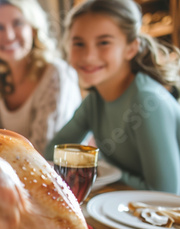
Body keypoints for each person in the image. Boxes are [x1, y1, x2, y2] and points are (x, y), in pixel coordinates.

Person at [45, 0, 180, 194]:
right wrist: (100, 169)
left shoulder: (148, 101)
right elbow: (53, 153)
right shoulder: (95, 100)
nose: (89, 56)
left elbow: (165, 193)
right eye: (79, 43)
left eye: (104, 42)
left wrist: (103, 169)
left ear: (131, 48)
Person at [0, 0, 82, 153]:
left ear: (33, 29)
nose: (9, 35)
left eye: (18, 23)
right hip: (7, 173)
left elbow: (43, 152)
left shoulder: (56, 74)